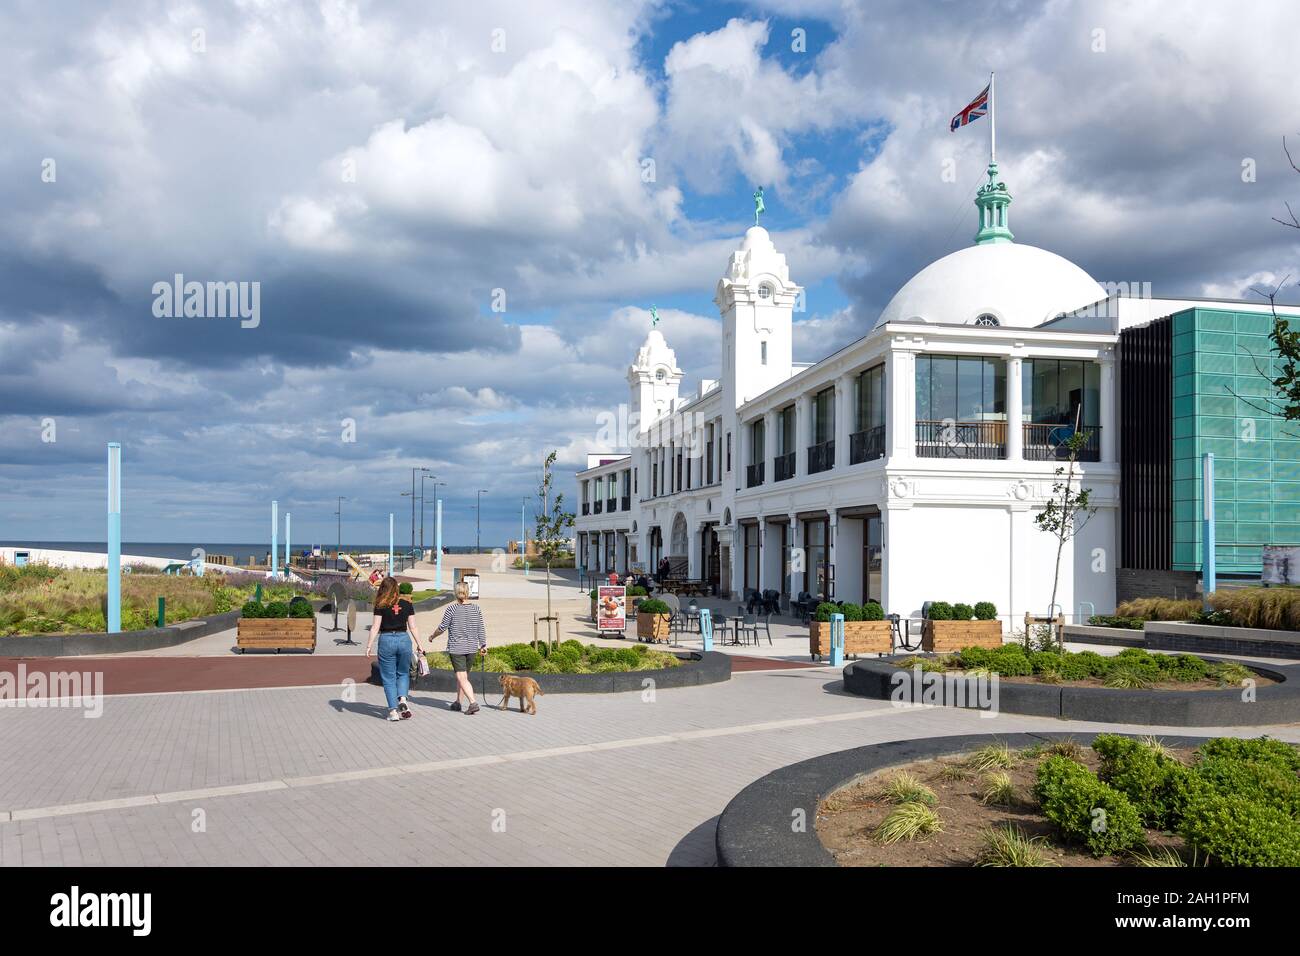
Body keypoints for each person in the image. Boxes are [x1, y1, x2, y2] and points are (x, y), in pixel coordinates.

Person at [366, 577, 424, 722]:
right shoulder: (407, 604)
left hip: (386, 640)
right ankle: (403, 699)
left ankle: (393, 711)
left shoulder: (380, 605)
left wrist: (368, 645)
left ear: (383, 589)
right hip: (404, 640)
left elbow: (375, 627)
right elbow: (413, 626)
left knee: (388, 677)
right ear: (396, 589)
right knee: (403, 673)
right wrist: (419, 644)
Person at [432, 581, 487, 714]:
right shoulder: (476, 609)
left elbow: (442, 627)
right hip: (472, 648)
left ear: (455, 593)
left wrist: (432, 636)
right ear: (468, 592)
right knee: (463, 677)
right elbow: (481, 628)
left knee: (461, 677)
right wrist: (483, 644)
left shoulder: (451, 609)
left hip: (457, 648)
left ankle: (473, 703)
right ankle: (458, 702)